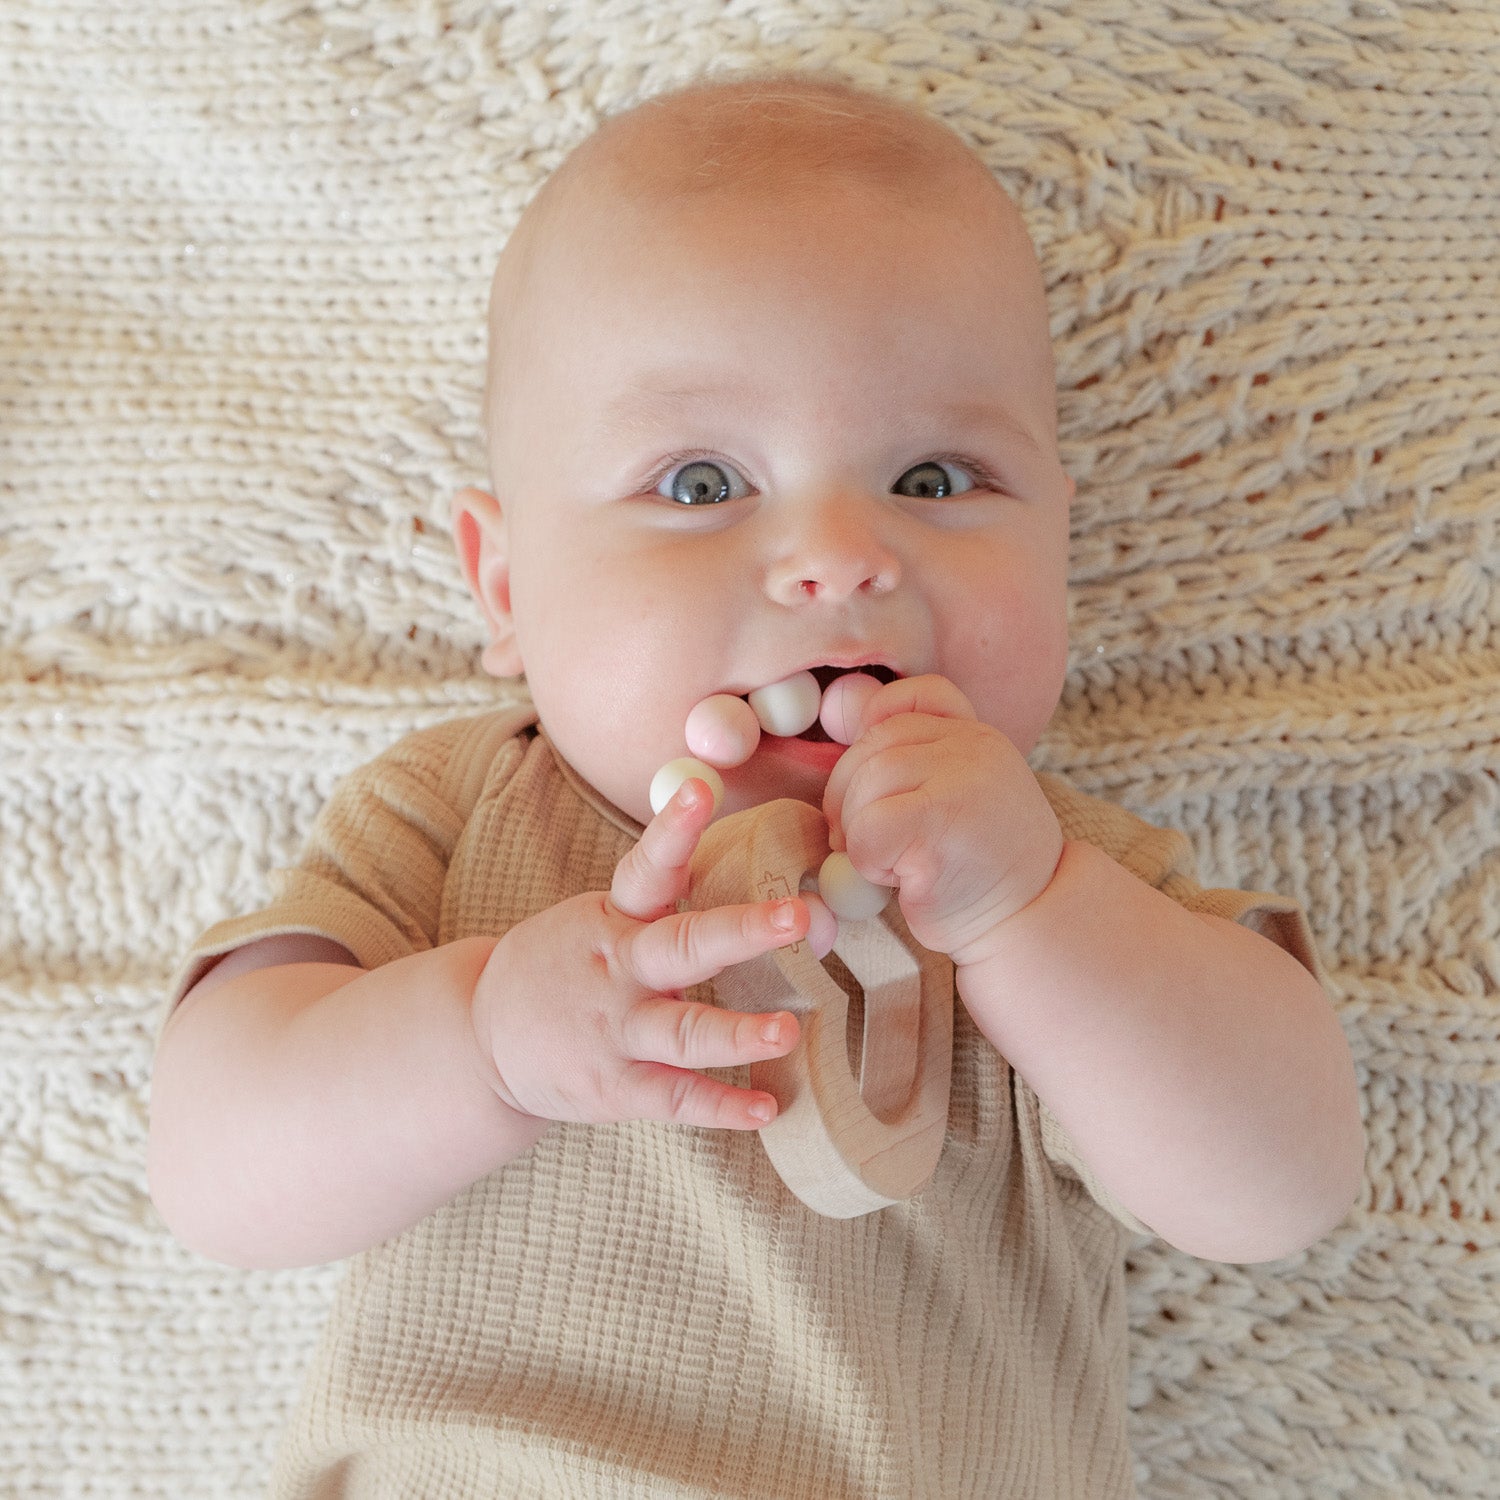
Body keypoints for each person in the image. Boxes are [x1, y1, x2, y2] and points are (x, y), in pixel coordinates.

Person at [148, 69, 1365, 1499]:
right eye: (701, 484)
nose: (840, 556)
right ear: (508, 584)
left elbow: (1284, 1185)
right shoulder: (457, 813)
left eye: (934, 475)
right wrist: (479, 1039)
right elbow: (214, 1170)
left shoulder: (1060, 877)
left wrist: (1031, 907)